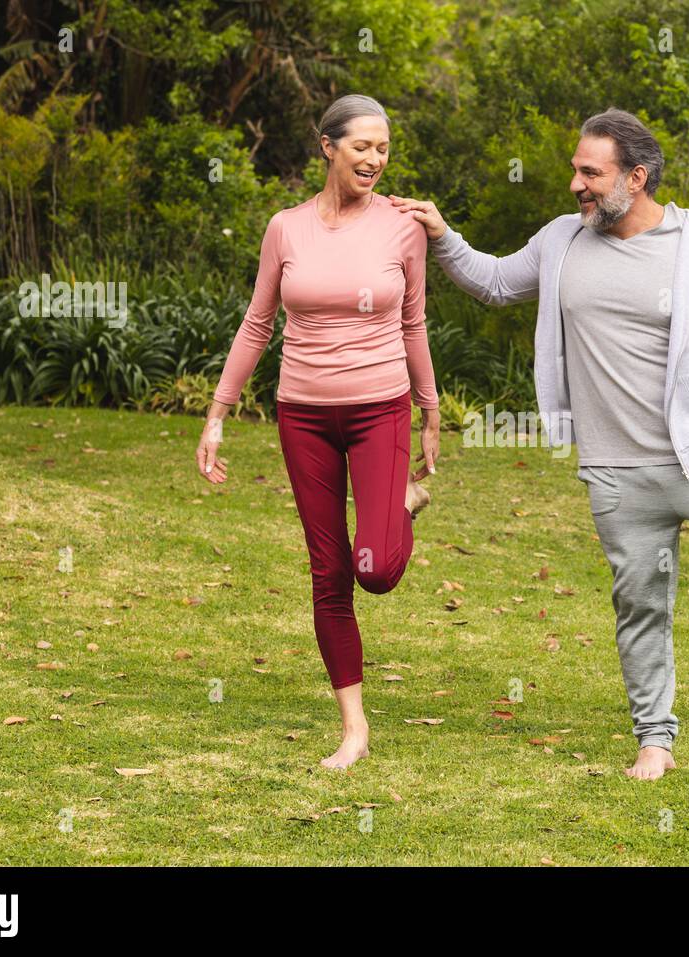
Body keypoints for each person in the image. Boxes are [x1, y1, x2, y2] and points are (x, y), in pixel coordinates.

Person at [390, 108, 689, 780]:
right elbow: (494, 283)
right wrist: (443, 236)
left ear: (635, 177)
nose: (577, 184)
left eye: (591, 171)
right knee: (640, 603)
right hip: (616, 469)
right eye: (576, 170)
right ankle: (655, 739)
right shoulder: (563, 241)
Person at [197, 94, 440, 770]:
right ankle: (354, 727)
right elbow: (257, 323)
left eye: (384, 148)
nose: (375, 159)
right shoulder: (286, 228)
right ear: (327, 146)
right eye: (362, 146)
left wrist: (430, 409)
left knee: (378, 570)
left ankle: (404, 503)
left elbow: (413, 322)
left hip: (379, 409)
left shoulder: (402, 227)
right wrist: (218, 413)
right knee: (330, 570)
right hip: (302, 414)